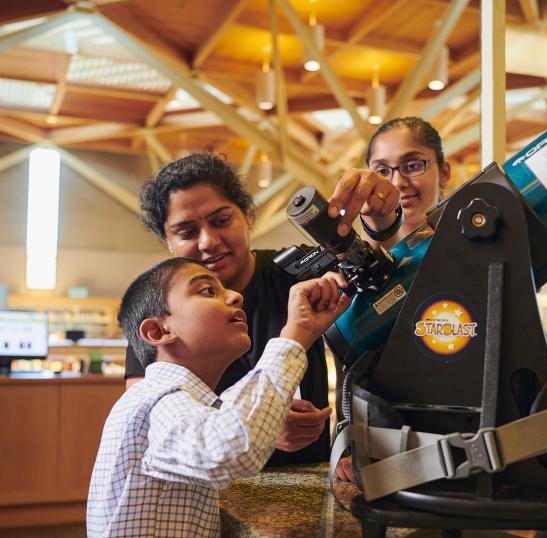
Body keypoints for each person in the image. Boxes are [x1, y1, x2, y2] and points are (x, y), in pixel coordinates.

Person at [82, 258, 352, 538]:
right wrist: (294, 336)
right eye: (207, 290)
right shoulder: (157, 401)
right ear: (158, 332)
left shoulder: (177, 401)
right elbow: (230, 447)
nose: (236, 296)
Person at [123, 152, 400, 466]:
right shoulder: (158, 310)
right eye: (186, 232)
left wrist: (381, 218)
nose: (208, 241)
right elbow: (145, 420)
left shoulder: (298, 271)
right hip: (211, 483)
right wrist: (258, 422)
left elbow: (380, 272)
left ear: (247, 216)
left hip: (309, 476)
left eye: (221, 221)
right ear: (168, 241)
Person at [333, 116, 453, 482]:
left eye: (412, 165)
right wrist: (350, 442)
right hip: (380, 455)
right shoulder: (358, 269)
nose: (398, 182)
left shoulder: (468, 249)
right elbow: (350, 369)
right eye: (382, 170)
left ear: (444, 172)